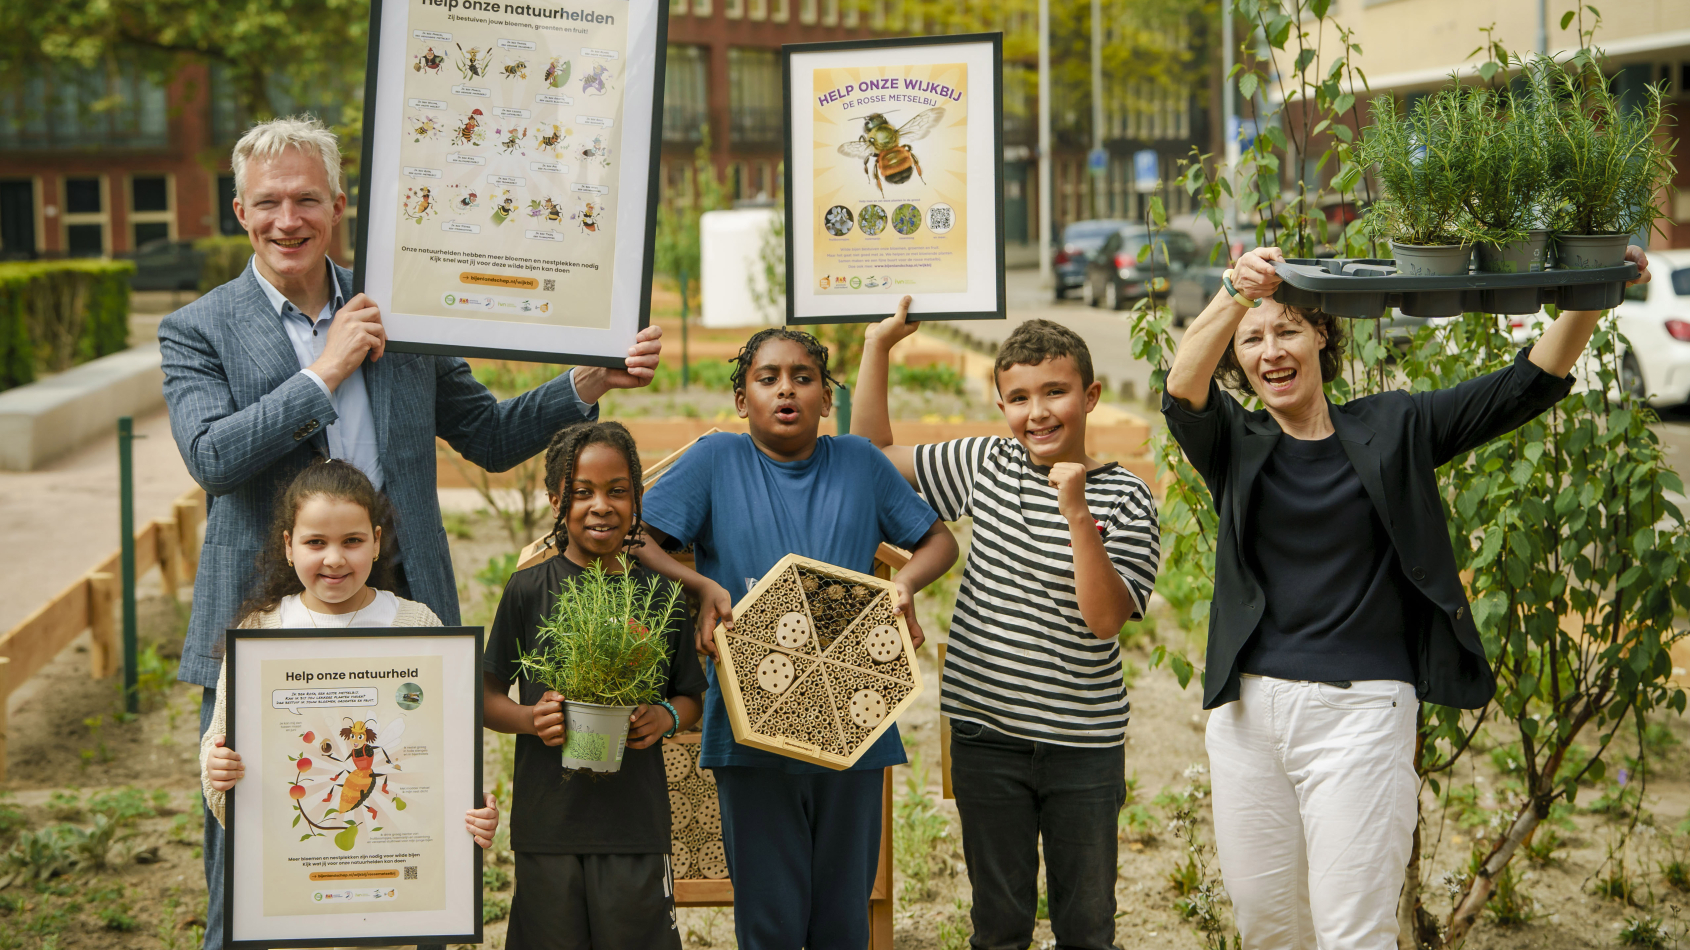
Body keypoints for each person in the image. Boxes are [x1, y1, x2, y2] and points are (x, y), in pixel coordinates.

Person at [159, 116, 660, 949]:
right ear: (239, 210)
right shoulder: (198, 328)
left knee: (418, 831)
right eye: (270, 201)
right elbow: (212, 458)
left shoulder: (406, 309)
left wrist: (584, 382)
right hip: (263, 619)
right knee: (253, 856)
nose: (290, 219)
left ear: (339, 206)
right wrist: (326, 372)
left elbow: (492, 437)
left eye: (307, 198)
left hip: (404, 612)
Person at [1161, 244, 1652, 949]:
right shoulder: (1233, 443)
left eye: (1288, 330)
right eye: (1253, 339)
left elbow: (1527, 382)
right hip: (1248, 718)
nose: (1271, 351)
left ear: (1322, 335)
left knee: (1353, 932)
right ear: (1237, 359)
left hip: (1360, 714)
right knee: (1267, 928)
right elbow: (1181, 385)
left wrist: (1597, 287)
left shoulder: (1394, 426)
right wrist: (1233, 294)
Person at [632, 328, 959, 950]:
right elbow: (638, 537)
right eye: (768, 377)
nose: (787, 389)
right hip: (751, 721)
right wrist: (699, 586)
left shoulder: (860, 462)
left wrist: (905, 585)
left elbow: (938, 541)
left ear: (827, 398)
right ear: (741, 398)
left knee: (842, 919)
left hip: (852, 716)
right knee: (770, 920)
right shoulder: (715, 460)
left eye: (804, 377)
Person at [856, 305, 1159, 950]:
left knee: (1087, 926)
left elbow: (1104, 619)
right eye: (1018, 398)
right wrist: (878, 346)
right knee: (998, 924)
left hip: (1083, 745)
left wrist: (1076, 510)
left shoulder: (1127, 497)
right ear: (1001, 405)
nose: (1038, 412)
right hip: (985, 735)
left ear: (1091, 396)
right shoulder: (987, 464)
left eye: (1055, 391)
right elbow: (871, 456)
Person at [482, 422, 707, 950]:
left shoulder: (659, 594)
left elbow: (690, 697)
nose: (600, 505)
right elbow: (485, 698)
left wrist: (666, 717)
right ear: (557, 499)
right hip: (548, 826)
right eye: (582, 492)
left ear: (638, 498)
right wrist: (529, 720)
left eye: (617, 491)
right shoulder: (528, 589)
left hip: (636, 826)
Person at [199, 459, 499, 842]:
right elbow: (218, 738)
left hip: (393, 853)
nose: (335, 558)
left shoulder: (418, 625)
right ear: (289, 546)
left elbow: (450, 746)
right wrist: (217, 767)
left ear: (376, 542)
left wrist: (469, 806)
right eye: (316, 542)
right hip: (296, 856)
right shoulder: (259, 632)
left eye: (352, 541)